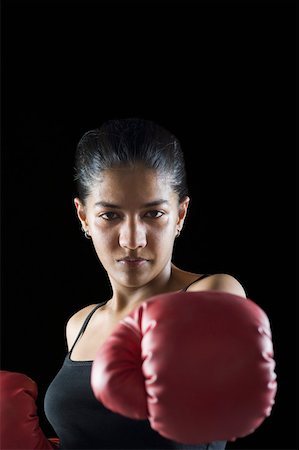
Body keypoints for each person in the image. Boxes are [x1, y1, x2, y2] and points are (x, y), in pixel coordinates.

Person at [0, 118, 276, 450]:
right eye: (110, 215)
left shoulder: (215, 293)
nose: (133, 240)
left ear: (180, 215)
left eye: (153, 214)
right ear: (83, 217)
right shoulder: (79, 325)